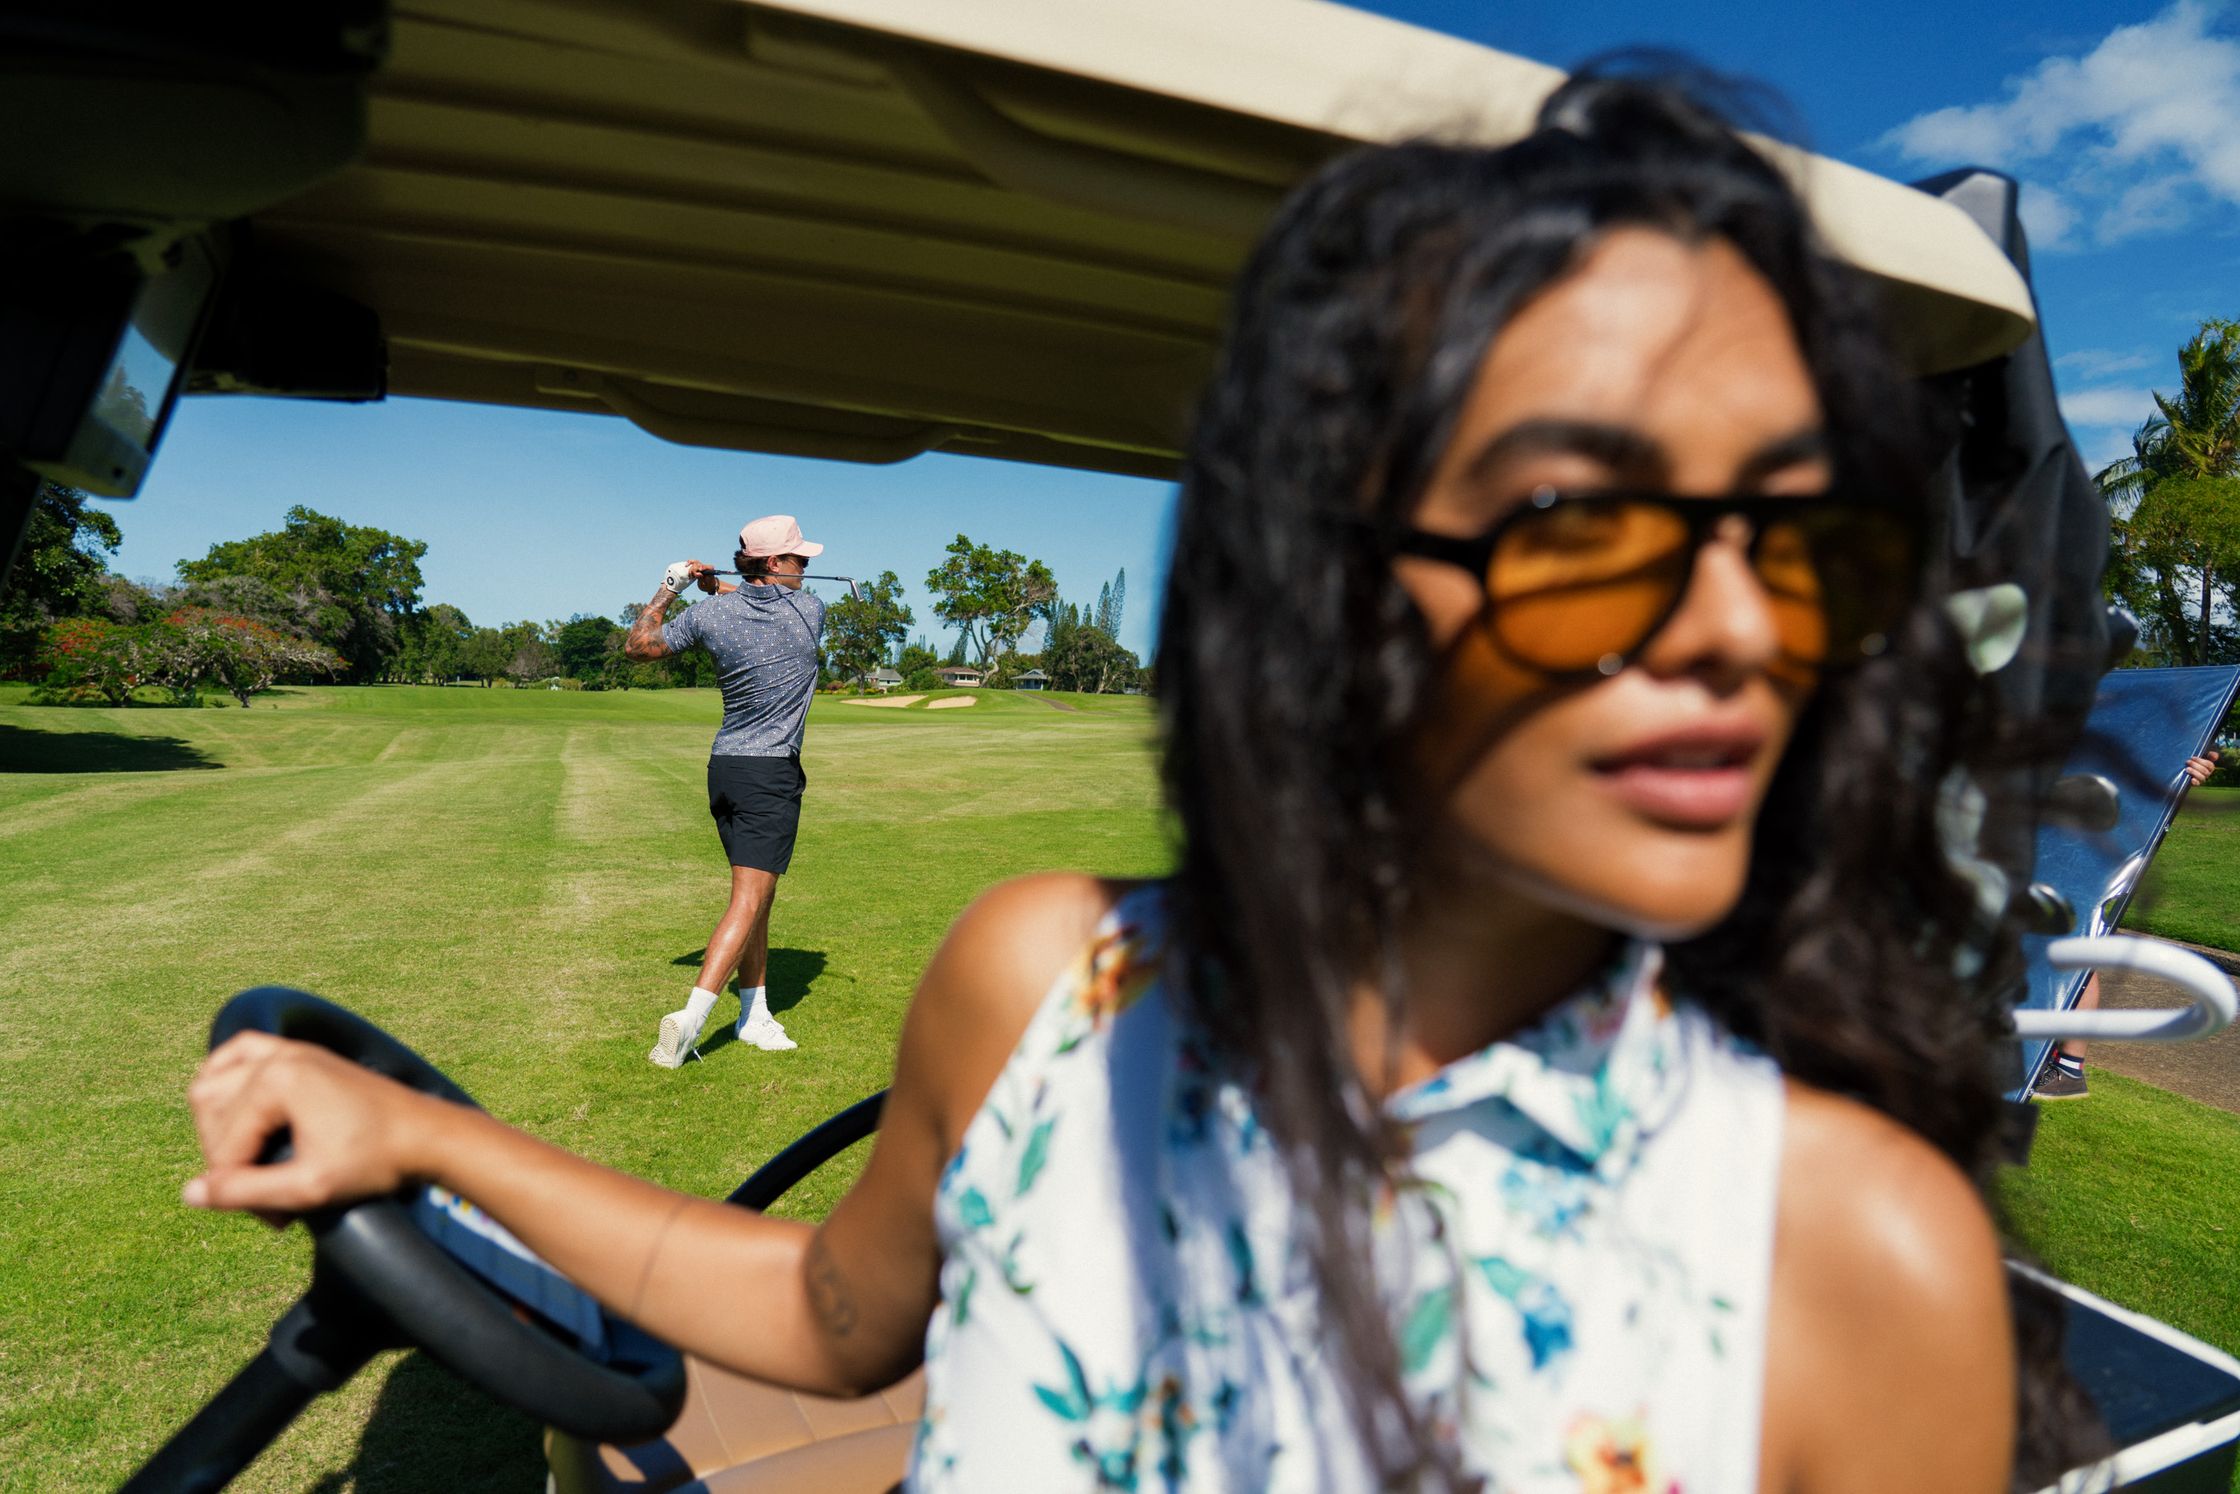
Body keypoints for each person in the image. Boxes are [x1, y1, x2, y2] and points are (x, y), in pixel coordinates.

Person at [179, 72, 2101, 1491]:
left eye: (1806, 545)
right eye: (1588, 525)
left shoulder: (1855, 1252)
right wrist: (424, 1139)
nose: (1733, 629)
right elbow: (833, 1318)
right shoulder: (1052, 980)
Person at [625, 514, 828, 1064]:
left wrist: (672, 588)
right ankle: (691, 1019)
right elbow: (762, 600)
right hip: (771, 773)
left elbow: (639, 646)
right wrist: (721, 586)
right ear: (773, 563)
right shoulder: (810, 611)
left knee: (760, 896)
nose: (806, 567)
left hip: (726, 769)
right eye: (798, 558)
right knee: (749, 898)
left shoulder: (711, 616)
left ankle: (754, 1015)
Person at [2038, 746, 2221, 1100]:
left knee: (2074, 942)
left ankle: (2069, 1066)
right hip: (2053, 823)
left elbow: (2170, 746)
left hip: (2098, 840)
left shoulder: (2169, 704)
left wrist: (2191, 772)